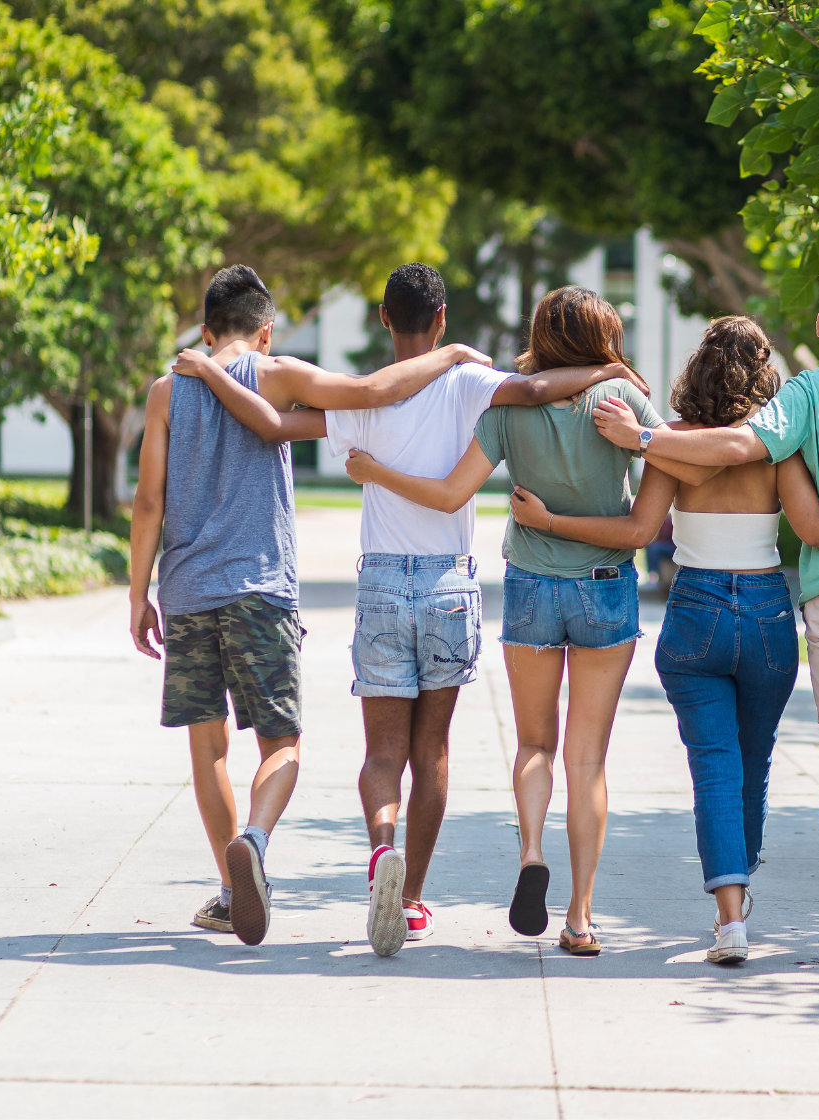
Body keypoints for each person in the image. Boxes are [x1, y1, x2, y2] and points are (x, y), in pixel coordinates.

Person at [170, 265, 636, 957]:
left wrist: (210, 373)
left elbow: (270, 426)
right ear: (442, 318)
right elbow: (538, 386)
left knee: (381, 753)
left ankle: (381, 849)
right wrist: (607, 371)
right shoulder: (470, 382)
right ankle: (412, 898)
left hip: (382, 585)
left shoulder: (358, 396)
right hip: (449, 587)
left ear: (385, 320)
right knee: (433, 752)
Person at [507, 315, 819, 965]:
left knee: (713, 767)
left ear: (696, 371)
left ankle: (729, 916)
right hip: (765, 613)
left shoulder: (672, 443)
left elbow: (636, 531)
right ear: (764, 375)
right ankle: (740, 881)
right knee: (753, 764)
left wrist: (548, 521)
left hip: (697, 611)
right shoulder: (775, 448)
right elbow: (814, 527)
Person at [591, 262, 819, 972]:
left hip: (740, 605)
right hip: (812, 604)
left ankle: (780, 918)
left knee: (762, 765)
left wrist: (632, 448)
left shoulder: (719, 430)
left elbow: (660, 522)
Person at [129, 263, 491, 947]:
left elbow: (148, 500)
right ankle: (255, 841)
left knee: (208, 749)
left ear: (205, 331)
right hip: (260, 586)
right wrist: (449, 352)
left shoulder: (163, 392)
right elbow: (373, 390)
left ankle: (235, 888)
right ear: (266, 331)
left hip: (183, 590)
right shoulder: (277, 371)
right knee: (281, 743)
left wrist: (136, 593)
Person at [343, 286, 710, 956]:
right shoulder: (622, 399)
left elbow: (454, 492)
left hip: (534, 587)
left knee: (535, 746)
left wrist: (376, 474)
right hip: (605, 590)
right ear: (603, 339)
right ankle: (581, 917)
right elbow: (662, 487)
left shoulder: (509, 405)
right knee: (587, 758)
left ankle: (533, 850)